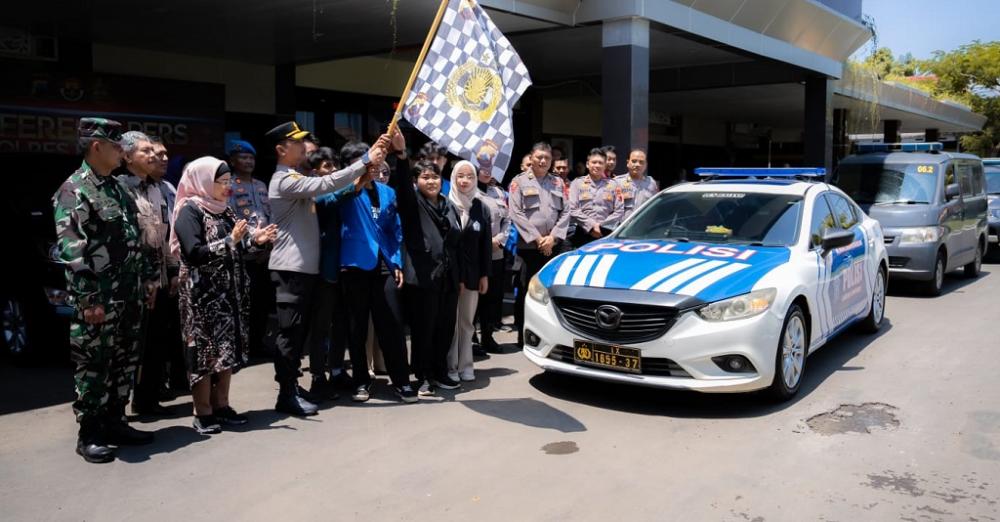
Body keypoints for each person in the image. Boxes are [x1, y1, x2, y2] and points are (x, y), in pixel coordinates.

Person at [267, 121, 385, 416]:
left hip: (303, 270)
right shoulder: (285, 180)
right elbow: (326, 185)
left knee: (298, 333)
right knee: (290, 335)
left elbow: (331, 194)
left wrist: (359, 180)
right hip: (291, 270)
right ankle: (286, 394)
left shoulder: (293, 177)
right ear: (282, 150)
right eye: (297, 143)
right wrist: (365, 161)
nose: (304, 147)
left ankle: (292, 389)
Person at [53, 118, 153, 463]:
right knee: (94, 365)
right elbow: (72, 252)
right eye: (116, 146)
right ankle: (90, 432)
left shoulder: (117, 188)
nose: (122, 152)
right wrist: (89, 299)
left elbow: (134, 239)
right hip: (99, 299)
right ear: (96, 146)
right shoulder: (75, 190)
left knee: (124, 362)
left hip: (129, 295)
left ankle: (115, 421)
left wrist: (148, 279)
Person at [171, 157, 279, 433]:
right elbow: (194, 253)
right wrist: (230, 240)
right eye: (222, 182)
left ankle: (222, 406)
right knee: (204, 355)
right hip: (202, 298)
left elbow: (238, 245)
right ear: (204, 181)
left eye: (229, 181)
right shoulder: (190, 210)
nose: (227, 187)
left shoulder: (223, 209)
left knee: (225, 352)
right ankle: (203, 411)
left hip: (228, 296)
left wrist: (256, 239)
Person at [333, 140, 416, 403]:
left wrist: (396, 262)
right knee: (356, 328)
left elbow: (395, 229)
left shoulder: (387, 192)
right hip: (353, 265)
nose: (374, 163)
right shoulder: (344, 190)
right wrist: (357, 178)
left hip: (384, 265)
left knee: (392, 323)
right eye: (366, 159)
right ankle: (360, 380)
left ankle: (402, 381)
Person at [387, 131, 463, 395]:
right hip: (423, 277)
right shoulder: (412, 203)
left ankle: (440, 371)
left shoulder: (448, 205)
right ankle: (422, 375)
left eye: (435, 176)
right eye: (425, 177)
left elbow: (455, 241)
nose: (431, 181)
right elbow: (403, 188)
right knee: (423, 329)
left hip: (448, 279)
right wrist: (401, 154)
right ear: (416, 180)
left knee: (445, 328)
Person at [117, 131, 172, 416]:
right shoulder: (120, 188)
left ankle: (147, 400)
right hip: (134, 283)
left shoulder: (158, 188)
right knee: (129, 348)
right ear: (126, 157)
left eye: (155, 151)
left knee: (155, 343)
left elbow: (165, 233)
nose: (154, 156)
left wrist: (172, 271)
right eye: (146, 151)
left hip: (159, 279)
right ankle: (117, 409)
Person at [305, 144, 356, 399]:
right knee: (321, 325)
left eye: (335, 165)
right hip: (323, 269)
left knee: (341, 324)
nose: (333, 170)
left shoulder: (335, 187)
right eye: (327, 167)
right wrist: (357, 181)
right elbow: (331, 199)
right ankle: (317, 376)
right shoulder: (313, 189)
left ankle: (337, 369)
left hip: (343, 266)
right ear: (314, 171)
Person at [507, 142, 570, 346]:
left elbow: (566, 211)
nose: (543, 161)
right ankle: (524, 335)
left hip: (553, 245)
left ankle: (554, 335)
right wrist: (537, 238)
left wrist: (553, 237)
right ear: (531, 158)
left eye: (547, 158)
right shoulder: (518, 182)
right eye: (539, 157)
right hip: (529, 248)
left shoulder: (558, 184)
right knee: (527, 291)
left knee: (554, 291)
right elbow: (515, 213)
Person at [225, 139, 273, 358]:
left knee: (261, 303)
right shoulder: (229, 186)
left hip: (265, 252)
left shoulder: (262, 185)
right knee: (243, 302)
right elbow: (231, 218)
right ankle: (241, 346)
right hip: (243, 253)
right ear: (233, 161)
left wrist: (268, 245)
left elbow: (269, 215)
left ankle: (257, 343)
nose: (248, 161)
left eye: (251, 158)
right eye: (243, 158)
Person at [446, 161, 492, 382]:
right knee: (450, 323)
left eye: (470, 177)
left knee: (467, 323)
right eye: (460, 176)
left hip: (474, 276)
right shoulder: (445, 204)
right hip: (451, 276)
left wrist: (485, 275)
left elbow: (485, 245)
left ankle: (466, 365)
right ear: (453, 178)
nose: (464, 181)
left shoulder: (481, 207)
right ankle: (450, 366)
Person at [149, 137, 188, 395]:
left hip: (170, 274)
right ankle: (149, 391)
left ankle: (173, 382)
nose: (163, 158)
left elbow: (173, 234)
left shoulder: (169, 189)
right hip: (147, 278)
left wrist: (175, 270)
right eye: (156, 154)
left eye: (166, 154)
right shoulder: (128, 187)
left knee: (172, 332)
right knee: (150, 339)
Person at [475, 167, 509, 354]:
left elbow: (507, 220)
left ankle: (487, 337)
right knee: (475, 298)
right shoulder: (469, 189)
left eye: (490, 168)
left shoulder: (498, 192)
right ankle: (471, 340)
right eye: (482, 168)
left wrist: (500, 240)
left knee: (492, 297)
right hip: (476, 253)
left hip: (496, 251)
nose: (487, 172)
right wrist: (486, 241)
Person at [569, 148, 625, 247]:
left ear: (604, 166)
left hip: (606, 233)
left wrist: (602, 227)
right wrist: (591, 226)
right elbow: (572, 209)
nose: (597, 165)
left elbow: (619, 210)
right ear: (587, 164)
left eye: (600, 163)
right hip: (582, 233)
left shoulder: (614, 184)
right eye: (594, 162)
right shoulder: (577, 183)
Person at [615, 148, 659, 221]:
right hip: (621, 228)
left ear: (646, 165)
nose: (637, 165)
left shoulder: (651, 183)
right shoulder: (617, 182)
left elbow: (655, 207)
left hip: (642, 228)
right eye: (634, 161)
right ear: (628, 163)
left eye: (641, 162)